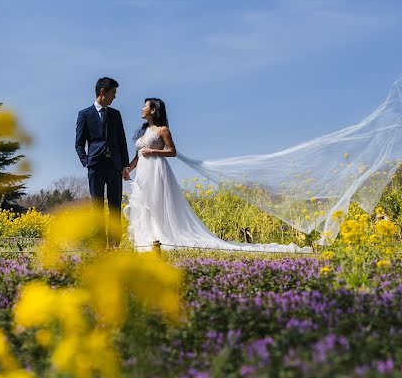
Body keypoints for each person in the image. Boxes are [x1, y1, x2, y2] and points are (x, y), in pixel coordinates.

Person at [125, 97, 308, 252]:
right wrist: (128, 169)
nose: (142, 109)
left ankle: (160, 236)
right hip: (143, 171)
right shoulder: (143, 131)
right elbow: (138, 154)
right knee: (144, 203)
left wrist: (153, 152)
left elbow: (172, 152)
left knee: (157, 203)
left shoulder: (162, 130)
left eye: (145, 106)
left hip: (157, 170)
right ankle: (145, 238)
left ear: (153, 110)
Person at [75, 77, 131, 247]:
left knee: (115, 206)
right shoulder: (84, 114)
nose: (115, 97)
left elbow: (122, 141)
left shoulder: (116, 114)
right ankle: (100, 246)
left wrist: (125, 165)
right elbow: (79, 143)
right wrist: (86, 162)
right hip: (95, 167)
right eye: (113, 92)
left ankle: (114, 245)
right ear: (103, 92)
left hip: (115, 166)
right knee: (97, 206)